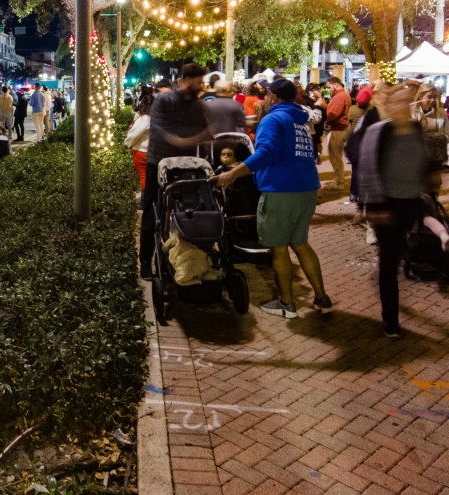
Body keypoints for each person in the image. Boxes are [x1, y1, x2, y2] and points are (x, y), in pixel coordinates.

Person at [214, 77, 332, 317]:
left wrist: (234, 173)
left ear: (274, 97)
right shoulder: (300, 121)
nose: (264, 98)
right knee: (300, 243)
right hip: (307, 187)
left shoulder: (272, 119)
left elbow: (265, 153)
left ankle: (287, 303)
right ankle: (321, 298)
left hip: (281, 190)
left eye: (267, 95)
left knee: (278, 249)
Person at [357, 84, 427, 338]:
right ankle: (391, 321)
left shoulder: (417, 129)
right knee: (389, 262)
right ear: (388, 105)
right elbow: (368, 168)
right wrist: (372, 207)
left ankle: (388, 286)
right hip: (386, 205)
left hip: (410, 203)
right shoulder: (379, 131)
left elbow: (421, 164)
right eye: (397, 101)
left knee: (398, 255)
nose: (402, 106)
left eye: (407, 101)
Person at [139, 64, 211, 280]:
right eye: (197, 82)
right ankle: (145, 263)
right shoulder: (165, 100)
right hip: (159, 165)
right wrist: (185, 139)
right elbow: (160, 130)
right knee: (152, 214)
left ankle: (186, 260)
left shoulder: (198, 106)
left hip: (187, 166)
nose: (200, 86)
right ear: (186, 80)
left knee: (189, 212)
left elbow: (205, 132)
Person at [412, 82, 449, 195]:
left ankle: (432, 208)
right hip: (416, 155)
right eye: (429, 97)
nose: (432, 100)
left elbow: (448, 134)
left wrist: (435, 139)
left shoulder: (441, 113)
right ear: (420, 96)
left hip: (435, 155)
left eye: (434, 97)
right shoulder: (413, 112)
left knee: (434, 184)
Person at [324, 76, 352, 190]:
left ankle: (339, 182)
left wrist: (325, 121)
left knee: (335, 156)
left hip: (338, 129)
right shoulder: (343, 95)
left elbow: (333, 114)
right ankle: (338, 179)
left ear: (335, 85)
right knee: (337, 156)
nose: (329, 89)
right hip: (341, 128)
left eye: (329, 87)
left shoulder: (340, 96)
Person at [124, 97, 151, 190]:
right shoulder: (156, 117)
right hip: (151, 151)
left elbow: (135, 134)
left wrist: (127, 143)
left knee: (144, 177)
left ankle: (146, 199)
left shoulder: (145, 118)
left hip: (142, 151)